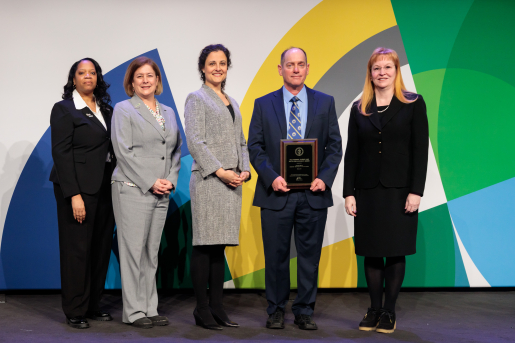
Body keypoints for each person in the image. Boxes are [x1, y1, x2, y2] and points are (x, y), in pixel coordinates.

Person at [248, 47, 342, 330]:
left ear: (308, 68)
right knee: (275, 256)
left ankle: (304, 310)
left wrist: (324, 178)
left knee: (309, 258)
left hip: (313, 194)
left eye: (301, 64)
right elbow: (255, 147)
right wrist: (271, 177)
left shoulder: (325, 102)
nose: (296, 69)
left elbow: (334, 146)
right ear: (280, 69)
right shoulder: (264, 104)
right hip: (276, 193)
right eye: (290, 65)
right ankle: (275, 309)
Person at [343, 47, 429, 334]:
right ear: (370, 73)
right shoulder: (359, 108)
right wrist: (348, 192)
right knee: (371, 252)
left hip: (399, 191)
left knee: (394, 252)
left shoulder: (413, 104)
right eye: (376, 68)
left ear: (396, 71)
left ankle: (389, 312)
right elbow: (351, 154)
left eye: (387, 68)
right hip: (367, 192)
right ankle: (374, 308)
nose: (382, 73)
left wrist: (416, 191)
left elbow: (420, 152)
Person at [111, 56, 182, 329]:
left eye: (149, 76)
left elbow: (175, 151)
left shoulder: (169, 112)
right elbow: (123, 152)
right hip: (132, 189)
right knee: (133, 252)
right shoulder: (124, 109)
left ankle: (149, 308)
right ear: (131, 82)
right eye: (139, 76)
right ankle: (133, 311)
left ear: (157, 81)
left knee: (151, 252)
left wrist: (170, 180)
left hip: (162, 191)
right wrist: (151, 180)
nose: (145, 80)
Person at [184, 44, 251, 330]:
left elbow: (241, 142)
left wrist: (245, 169)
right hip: (210, 181)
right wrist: (222, 171)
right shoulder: (196, 99)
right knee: (204, 246)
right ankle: (201, 309)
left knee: (219, 247)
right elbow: (195, 141)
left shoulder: (232, 101)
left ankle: (218, 307)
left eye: (222, 63)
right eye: (212, 63)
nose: (218, 68)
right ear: (203, 68)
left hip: (232, 183)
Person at [50, 57, 116, 329]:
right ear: (73, 79)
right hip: (77, 189)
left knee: (99, 248)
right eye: (82, 72)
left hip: (105, 187)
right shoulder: (65, 109)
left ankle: (92, 304)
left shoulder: (108, 110)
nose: (88, 76)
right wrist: (74, 195)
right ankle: (74, 308)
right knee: (77, 249)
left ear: (98, 78)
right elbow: (61, 153)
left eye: (93, 72)